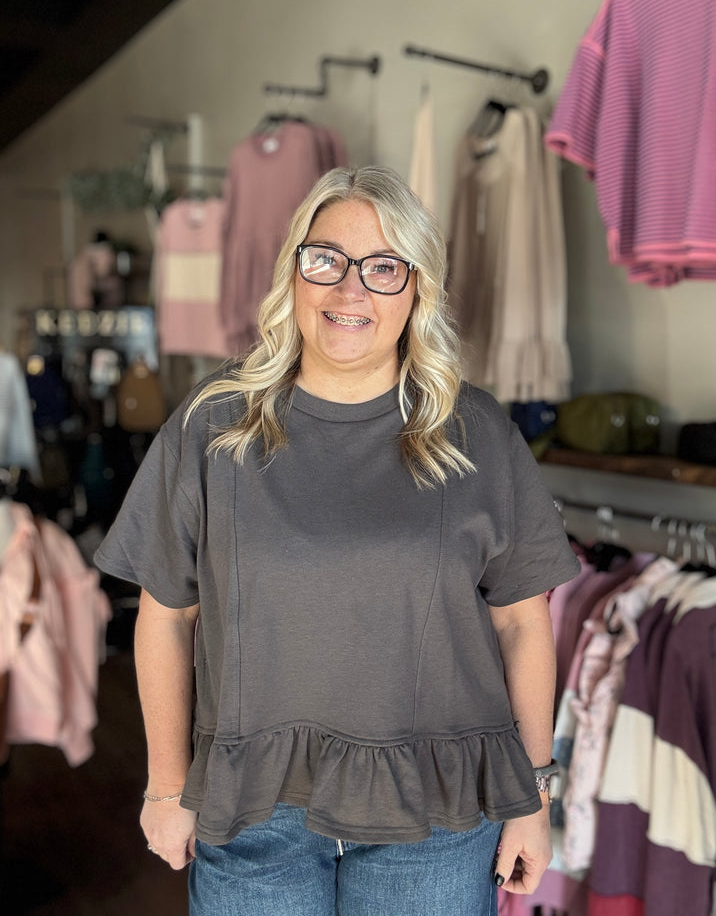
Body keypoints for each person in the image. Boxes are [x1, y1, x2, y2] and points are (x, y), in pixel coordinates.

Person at [95, 165, 580, 916]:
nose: (350, 290)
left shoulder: (477, 431)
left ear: (417, 287)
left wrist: (534, 796)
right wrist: (165, 785)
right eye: (326, 259)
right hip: (258, 811)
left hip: (438, 813)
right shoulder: (213, 425)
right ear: (294, 270)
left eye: (384, 267)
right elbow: (164, 616)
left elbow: (522, 622)